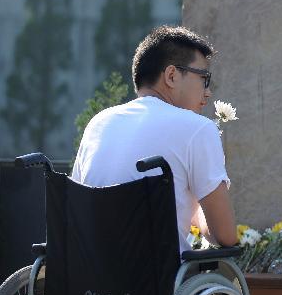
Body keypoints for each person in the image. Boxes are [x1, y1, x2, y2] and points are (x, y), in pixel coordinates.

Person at [71, 25, 238, 251]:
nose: (207, 92)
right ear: (171, 75)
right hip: (156, 281)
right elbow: (226, 237)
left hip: (88, 276)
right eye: (204, 78)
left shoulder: (98, 123)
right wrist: (200, 212)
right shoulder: (198, 129)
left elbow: (78, 208)